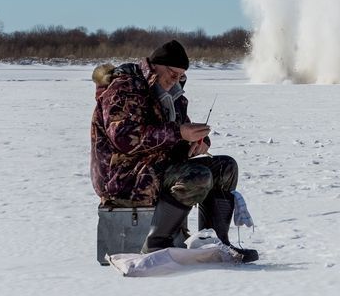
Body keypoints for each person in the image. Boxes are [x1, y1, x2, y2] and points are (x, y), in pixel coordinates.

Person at [90, 39, 258, 262]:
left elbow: (179, 130)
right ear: (155, 65)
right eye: (172, 73)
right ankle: (156, 244)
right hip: (124, 176)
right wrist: (179, 133)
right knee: (197, 176)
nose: (175, 80)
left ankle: (212, 243)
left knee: (225, 167)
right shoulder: (125, 88)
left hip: (156, 168)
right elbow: (123, 138)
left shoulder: (172, 94)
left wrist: (196, 141)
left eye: (180, 76)